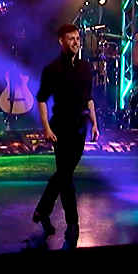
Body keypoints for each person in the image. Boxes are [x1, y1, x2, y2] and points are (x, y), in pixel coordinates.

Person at [32, 24, 99, 241]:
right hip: (61, 127)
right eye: (71, 38)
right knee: (66, 175)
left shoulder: (85, 67)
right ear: (61, 41)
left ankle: (42, 210)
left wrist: (95, 124)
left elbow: (88, 98)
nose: (76, 42)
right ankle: (73, 224)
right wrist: (46, 128)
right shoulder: (52, 69)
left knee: (64, 173)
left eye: (78, 38)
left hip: (80, 126)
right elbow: (41, 98)